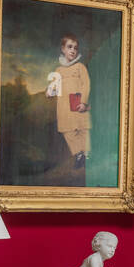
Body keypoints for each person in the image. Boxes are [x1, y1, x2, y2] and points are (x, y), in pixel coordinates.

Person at [45, 33, 91, 169]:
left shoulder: (80, 67)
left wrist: (83, 102)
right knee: (68, 131)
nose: (73, 50)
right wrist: (49, 91)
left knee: (83, 129)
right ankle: (78, 154)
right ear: (63, 49)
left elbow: (86, 84)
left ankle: (86, 154)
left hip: (77, 103)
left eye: (75, 48)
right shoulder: (58, 70)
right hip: (64, 106)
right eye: (69, 47)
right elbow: (53, 86)